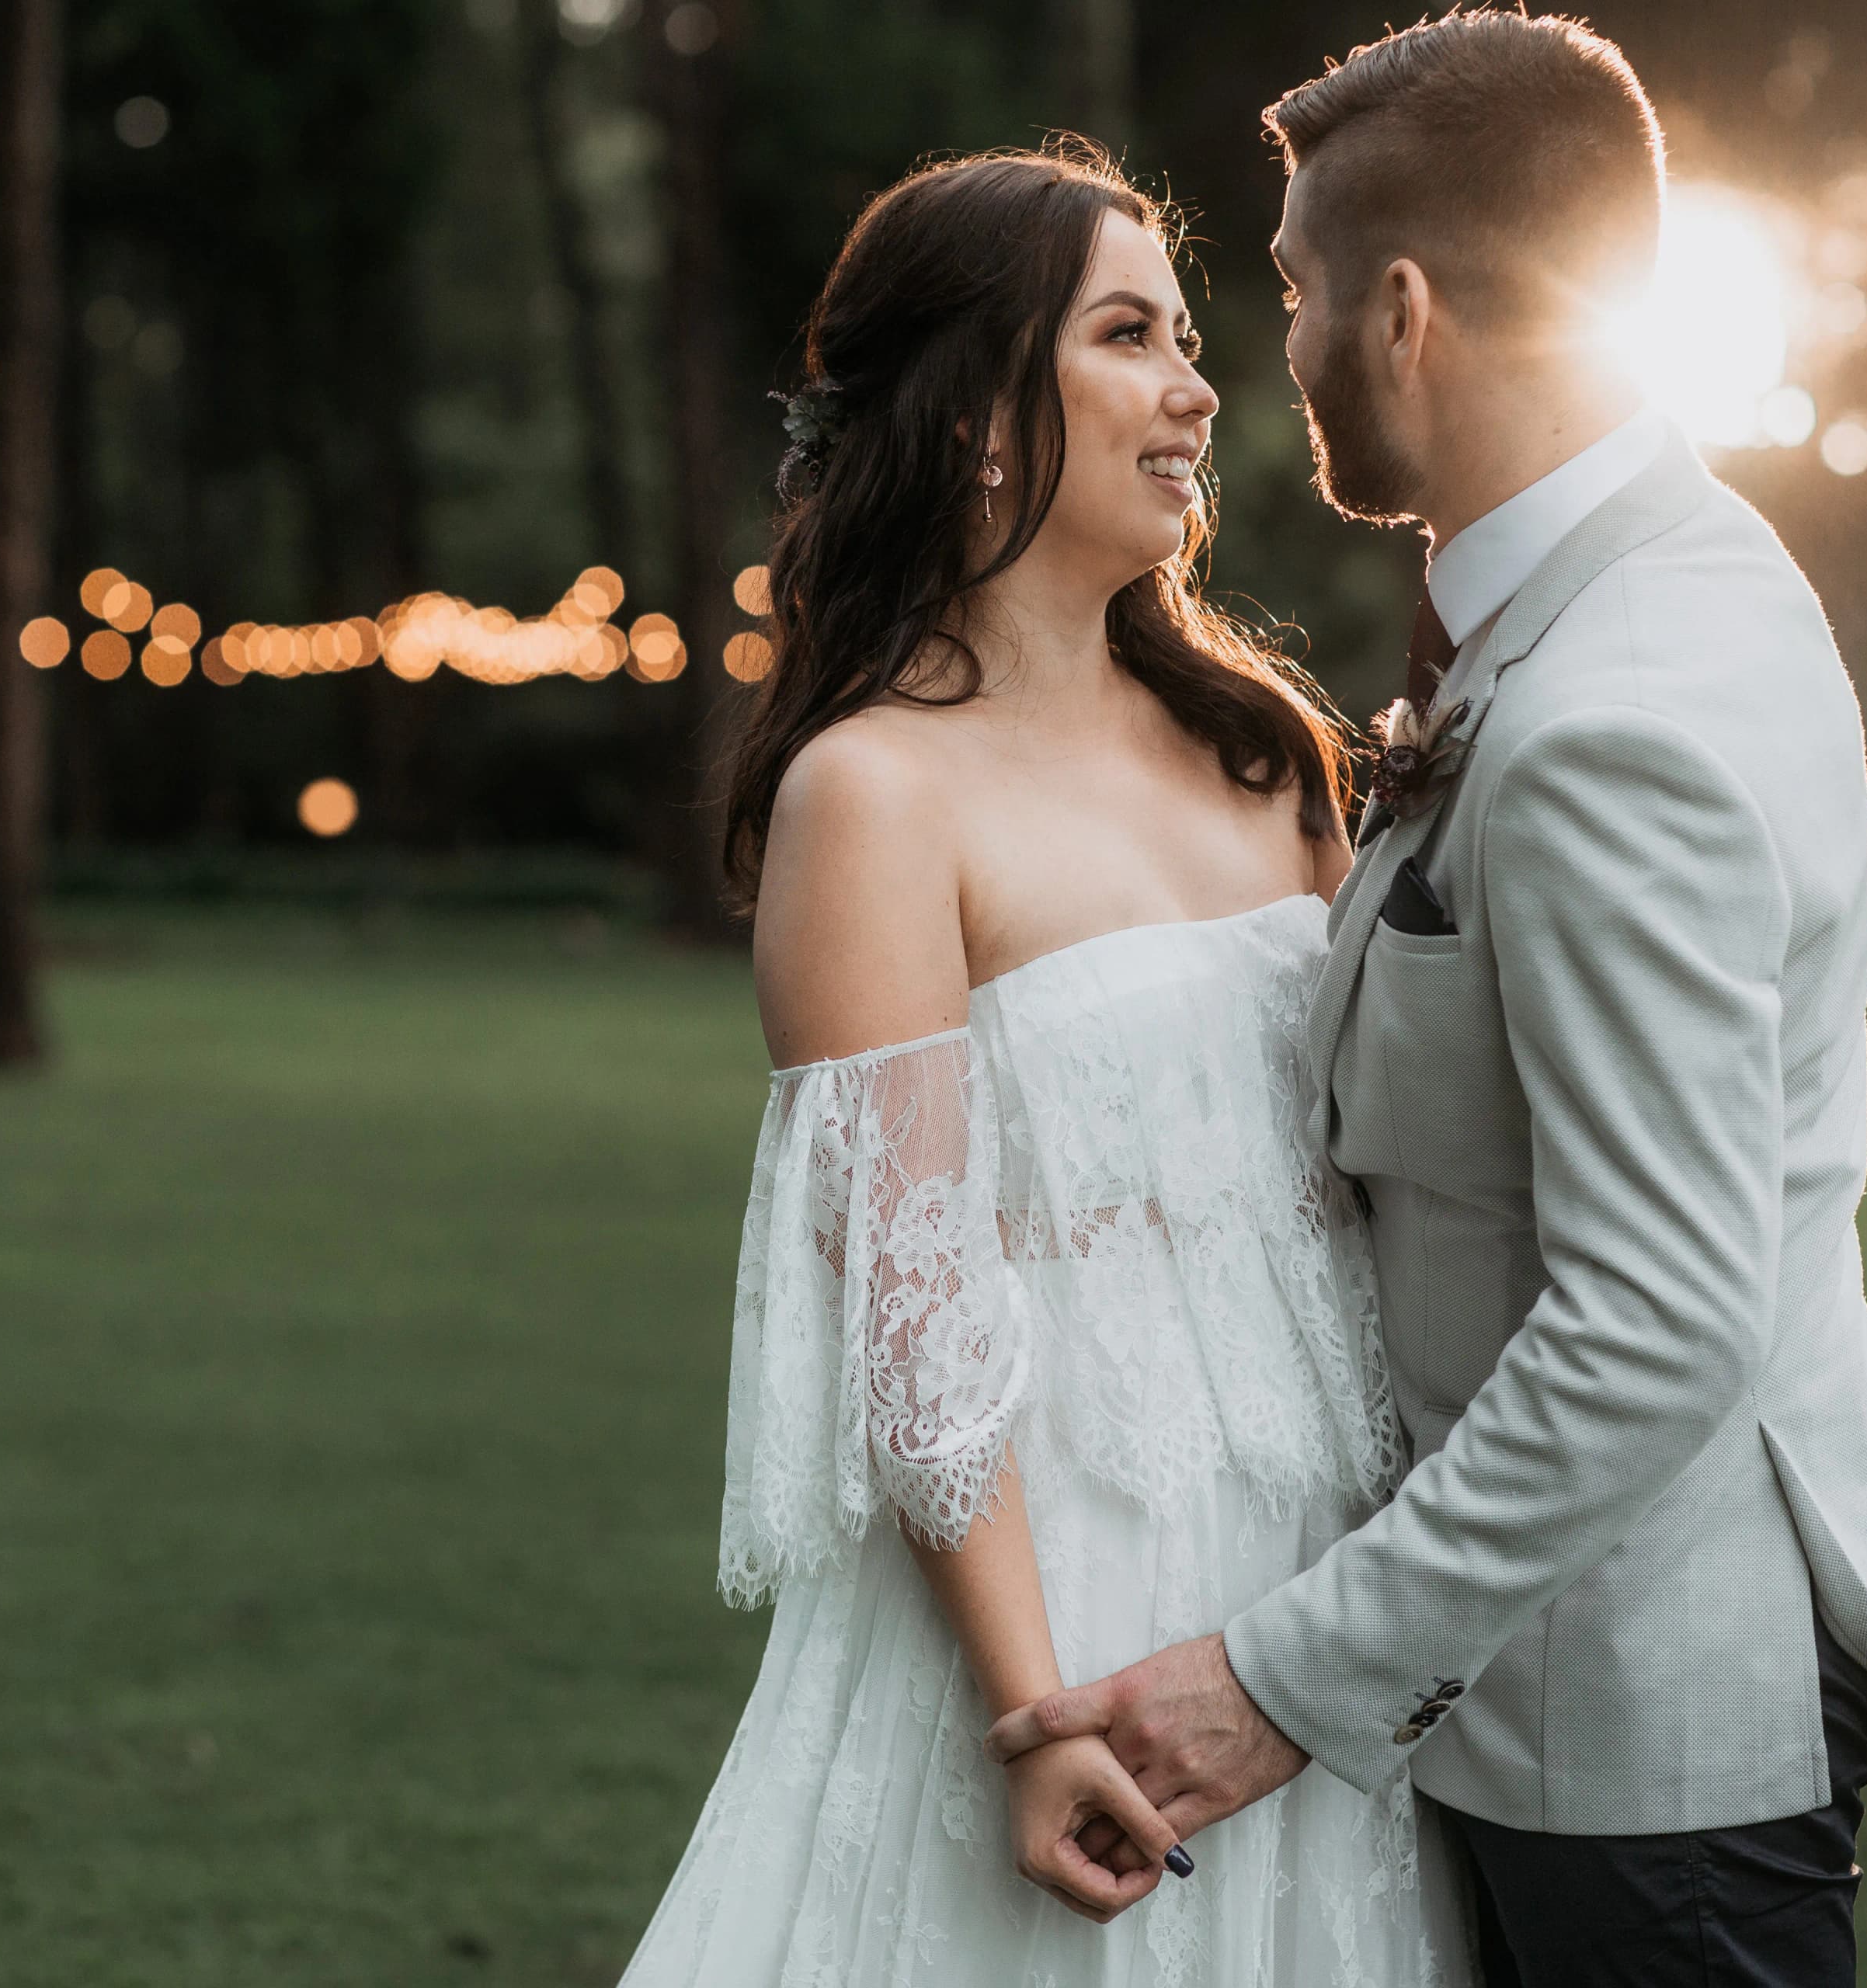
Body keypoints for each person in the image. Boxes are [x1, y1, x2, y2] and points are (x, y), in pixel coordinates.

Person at [983, 16, 1867, 1988]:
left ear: (1402, 309)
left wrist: (1278, 1678)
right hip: (1561, 1687)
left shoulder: (1614, 717)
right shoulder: (1644, 588)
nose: (1280, 350)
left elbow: (1658, 1317)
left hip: (1641, 1721)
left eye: (1292, 292)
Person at [614, 141, 1465, 1987]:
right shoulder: (874, 794)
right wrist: (1033, 1708)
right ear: (984, 416)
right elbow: (914, 1308)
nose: (1197, 387)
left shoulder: (1270, 755)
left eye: (1189, 336)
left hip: (1321, 1593)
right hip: (1062, 1588)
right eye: (1129, 335)